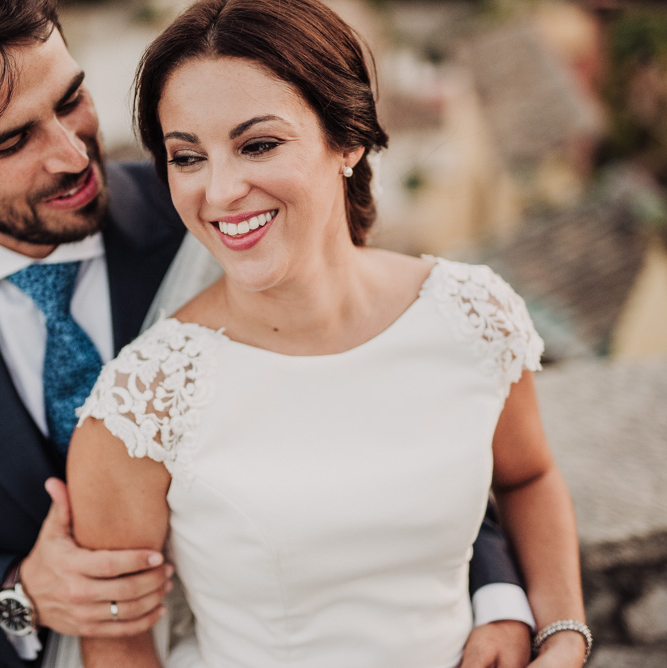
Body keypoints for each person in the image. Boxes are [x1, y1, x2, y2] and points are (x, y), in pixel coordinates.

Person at [0, 0, 535, 666]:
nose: (71, 153)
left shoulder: (226, 211)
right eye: (11, 142)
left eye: (71, 100)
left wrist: (498, 594)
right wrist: (19, 591)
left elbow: (399, 407)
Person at [66, 1, 590, 667]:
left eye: (258, 144)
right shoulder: (142, 405)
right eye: (187, 156)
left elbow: (529, 477)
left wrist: (563, 633)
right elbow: (116, 645)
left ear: (349, 140)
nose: (221, 190)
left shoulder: (473, 315)